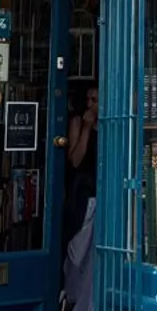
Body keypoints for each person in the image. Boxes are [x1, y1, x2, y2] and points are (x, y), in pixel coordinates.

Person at [63, 87, 97, 248]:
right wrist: (86, 128)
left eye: (94, 100)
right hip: (82, 187)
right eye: (87, 100)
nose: (89, 104)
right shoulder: (77, 122)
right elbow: (75, 160)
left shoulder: (111, 123)